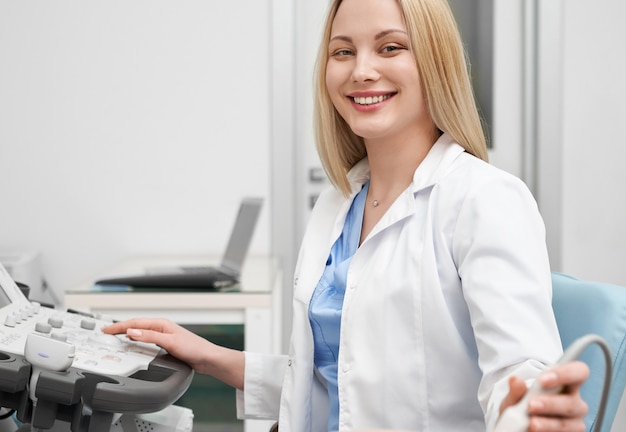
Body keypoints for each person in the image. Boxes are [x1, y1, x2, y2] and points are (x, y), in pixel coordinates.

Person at [103, 0, 591, 430]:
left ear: (435, 62)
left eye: (391, 47)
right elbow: (341, 381)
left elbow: (520, 373)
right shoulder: (339, 204)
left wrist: (531, 410)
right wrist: (211, 357)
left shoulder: (484, 199)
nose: (361, 70)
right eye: (343, 52)